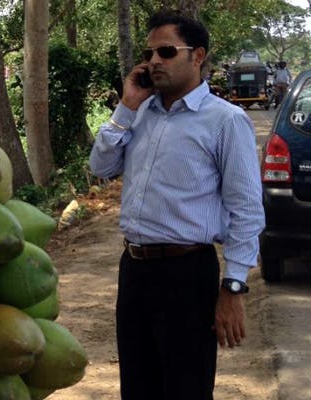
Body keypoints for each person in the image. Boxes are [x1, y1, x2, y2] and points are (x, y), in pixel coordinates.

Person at [89, 11, 264, 400]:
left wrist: (233, 288)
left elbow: (247, 210)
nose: (153, 61)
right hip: (133, 271)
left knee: (185, 389)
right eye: (149, 53)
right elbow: (100, 168)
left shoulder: (225, 121)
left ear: (197, 56)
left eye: (166, 51)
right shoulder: (140, 113)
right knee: (137, 387)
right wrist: (127, 106)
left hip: (187, 276)